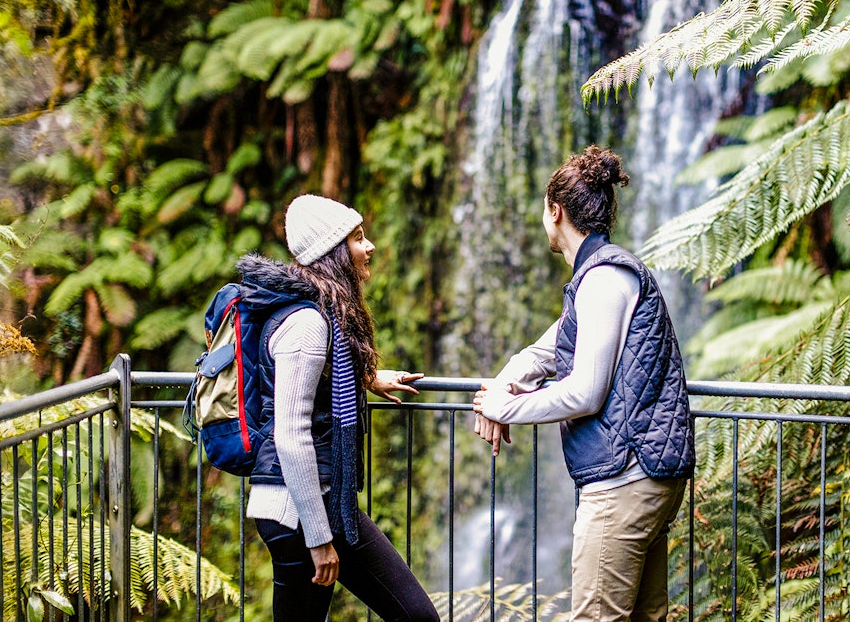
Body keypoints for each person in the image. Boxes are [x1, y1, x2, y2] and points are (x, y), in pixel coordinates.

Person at [472, 145, 695, 621]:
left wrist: (503, 409)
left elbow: (584, 392)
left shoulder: (604, 279)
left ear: (555, 212)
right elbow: (543, 352)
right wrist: (501, 387)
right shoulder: (601, 275)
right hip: (647, 473)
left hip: (625, 479)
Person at [239, 194, 439, 621]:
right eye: (358, 238)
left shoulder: (316, 313)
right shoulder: (307, 324)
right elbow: (290, 436)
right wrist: (317, 538)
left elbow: (313, 381)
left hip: (317, 503)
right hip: (300, 512)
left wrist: (369, 379)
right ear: (333, 252)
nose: (369, 247)